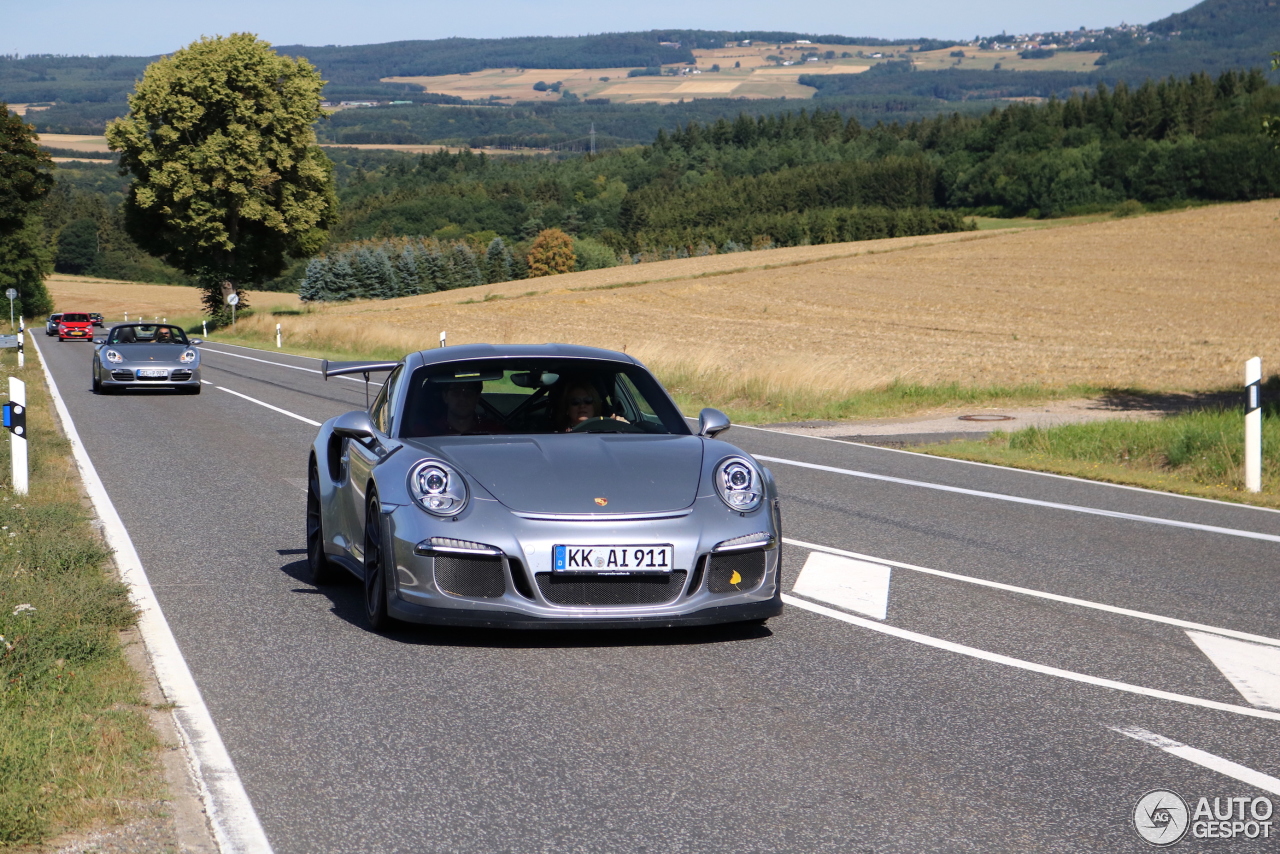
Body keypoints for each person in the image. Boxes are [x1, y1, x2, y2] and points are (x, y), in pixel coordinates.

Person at [431, 381, 503, 435]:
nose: (462, 398)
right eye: (456, 392)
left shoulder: (494, 431)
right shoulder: (428, 431)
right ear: (445, 397)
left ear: (477, 398)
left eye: (468, 393)